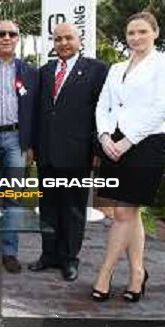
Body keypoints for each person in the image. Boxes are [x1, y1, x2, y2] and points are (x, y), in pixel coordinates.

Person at [92, 12, 165, 302]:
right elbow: (102, 105)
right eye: (131, 33)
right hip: (113, 145)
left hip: (146, 144)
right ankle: (137, 273)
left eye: (142, 31)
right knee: (130, 214)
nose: (136, 37)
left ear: (155, 32)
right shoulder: (116, 68)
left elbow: (162, 108)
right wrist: (105, 137)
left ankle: (104, 273)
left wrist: (128, 141)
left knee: (122, 212)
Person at [29, 23, 108, 282]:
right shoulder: (44, 71)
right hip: (47, 152)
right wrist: (32, 146)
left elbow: (103, 112)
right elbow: (37, 111)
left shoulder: (97, 70)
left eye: (68, 38)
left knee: (73, 208)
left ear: (79, 39)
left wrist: (97, 149)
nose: (63, 43)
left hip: (78, 152)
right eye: (58, 39)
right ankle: (48, 255)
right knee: (48, 206)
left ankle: (69, 259)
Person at [0, 20, 39, 274]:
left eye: (11, 33)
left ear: (18, 39)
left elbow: (34, 111)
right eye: (1, 33)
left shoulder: (30, 72)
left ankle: (10, 252)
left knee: (13, 198)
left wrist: (32, 144)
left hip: (16, 139)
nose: (6, 37)